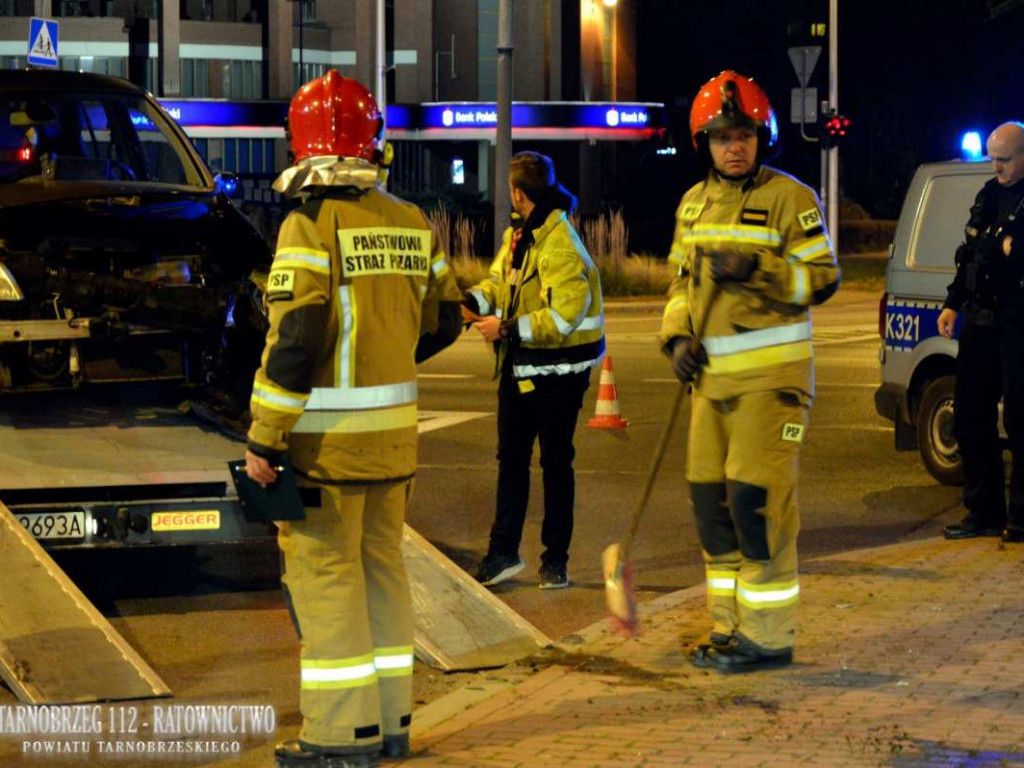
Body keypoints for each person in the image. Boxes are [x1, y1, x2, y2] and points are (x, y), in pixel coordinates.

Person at [243, 71, 462, 768]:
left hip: (327, 452)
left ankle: (340, 737)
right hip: (394, 445)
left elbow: (296, 343)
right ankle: (391, 724)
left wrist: (263, 438)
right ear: (374, 145)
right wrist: (383, 359)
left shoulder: (308, 226)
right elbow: (446, 320)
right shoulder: (411, 221)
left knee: (328, 581)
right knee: (381, 574)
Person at [659, 71, 840, 673]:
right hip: (711, 386)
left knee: (754, 503)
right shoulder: (693, 204)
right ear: (703, 144)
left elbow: (822, 279)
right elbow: (680, 286)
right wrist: (677, 338)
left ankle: (767, 637)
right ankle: (727, 630)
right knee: (712, 505)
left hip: (773, 384)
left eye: (744, 135)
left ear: (763, 137)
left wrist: (759, 268)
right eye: (721, 137)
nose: (734, 146)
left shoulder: (793, 199)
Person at [462, 151, 605, 590]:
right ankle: (503, 553)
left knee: (555, 464)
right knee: (513, 462)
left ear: (519, 193)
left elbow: (564, 316)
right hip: (521, 366)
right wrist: (474, 300)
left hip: (558, 374)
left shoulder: (558, 240)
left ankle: (555, 561)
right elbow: (501, 283)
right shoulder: (523, 235)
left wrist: (504, 328)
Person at [939, 122, 1024, 543]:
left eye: (1005, 159)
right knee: (970, 416)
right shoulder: (989, 194)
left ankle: (1021, 517)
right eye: (993, 158)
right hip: (981, 318)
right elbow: (971, 253)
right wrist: (953, 302)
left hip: (1018, 320)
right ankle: (984, 510)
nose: (996, 166)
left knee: (1021, 419)